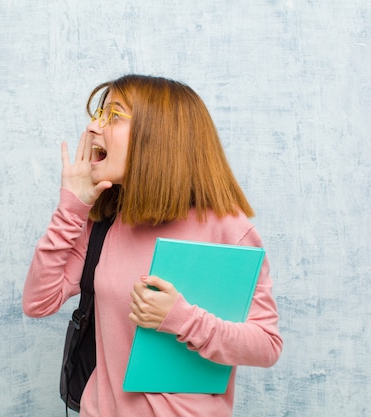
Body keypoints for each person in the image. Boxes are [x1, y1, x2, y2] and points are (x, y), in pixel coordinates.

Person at [23, 74, 282, 417]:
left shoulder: (228, 229)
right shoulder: (106, 222)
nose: (93, 127)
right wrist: (71, 207)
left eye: (113, 117)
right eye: (99, 115)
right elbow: (38, 302)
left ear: (158, 136)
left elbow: (266, 345)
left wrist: (181, 319)